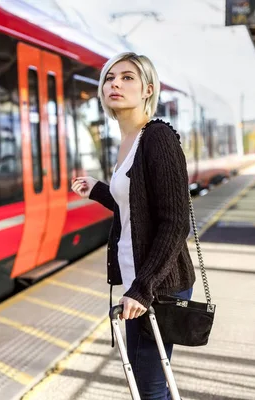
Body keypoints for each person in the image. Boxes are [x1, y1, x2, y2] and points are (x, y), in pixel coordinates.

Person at [71, 52, 196, 399]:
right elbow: (138, 209)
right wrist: (99, 190)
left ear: (148, 90)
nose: (115, 83)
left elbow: (174, 222)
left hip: (156, 284)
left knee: (150, 388)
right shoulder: (128, 141)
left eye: (127, 77)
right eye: (110, 78)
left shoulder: (157, 138)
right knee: (151, 386)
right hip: (138, 278)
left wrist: (144, 287)